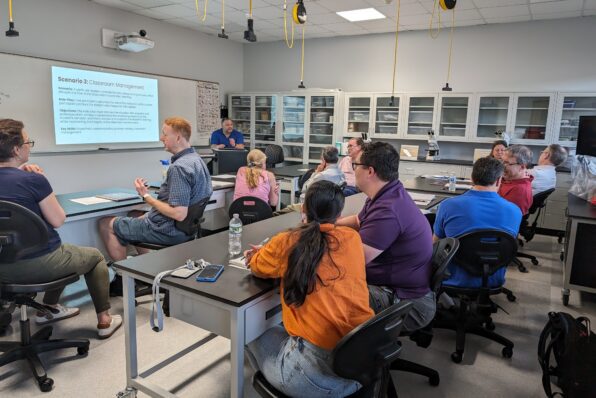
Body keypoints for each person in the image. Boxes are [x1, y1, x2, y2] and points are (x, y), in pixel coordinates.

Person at [244, 180, 373, 397]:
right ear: (339, 213)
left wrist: (263, 252)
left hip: (314, 377)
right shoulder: (352, 238)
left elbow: (257, 266)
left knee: (248, 329)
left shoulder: (288, 241)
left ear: (303, 208)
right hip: (360, 364)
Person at [0, 119, 122, 338]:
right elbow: (57, 220)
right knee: (93, 257)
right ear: (17, 149)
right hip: (40, 264)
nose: (30, 146)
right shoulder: (33, 180)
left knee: (64, 253)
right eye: (29, 142)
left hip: (3, 267)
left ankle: (50, 309)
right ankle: (105, 320)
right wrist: (39, 179)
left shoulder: (24, 177)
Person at [336, 142, 434, 332]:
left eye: (355, 165)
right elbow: (358, 220)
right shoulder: (387, 192)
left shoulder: (388, 210)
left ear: (370, 171)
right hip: (400, 286)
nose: (353, 170)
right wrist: (327, 224)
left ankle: (328, 355)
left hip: (406, 302)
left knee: (327, 288)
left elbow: (353, 261)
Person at [99, 117, 212, 263]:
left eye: (165, 134)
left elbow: (179, 214)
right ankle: (148, 268)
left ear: (177, 137)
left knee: (105, 224)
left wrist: (146, 196)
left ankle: (123, 277)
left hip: (167, 230)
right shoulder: (197, 159)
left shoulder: (179, 167)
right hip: (186, 230)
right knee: (134, 214)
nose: (161, 138)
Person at [433, 157, 522, 289]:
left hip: (451, 277)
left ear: (472, 178)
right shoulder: (515, 211)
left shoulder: (448, 205)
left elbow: (435, 244)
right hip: (493, 278)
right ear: (499, 180)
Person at [499, 144, 533, 215]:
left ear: (522, 167)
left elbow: (504, 216)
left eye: (507, 163)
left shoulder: (520, 190)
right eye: (502, 161)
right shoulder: (510, 178)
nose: (502, 166)